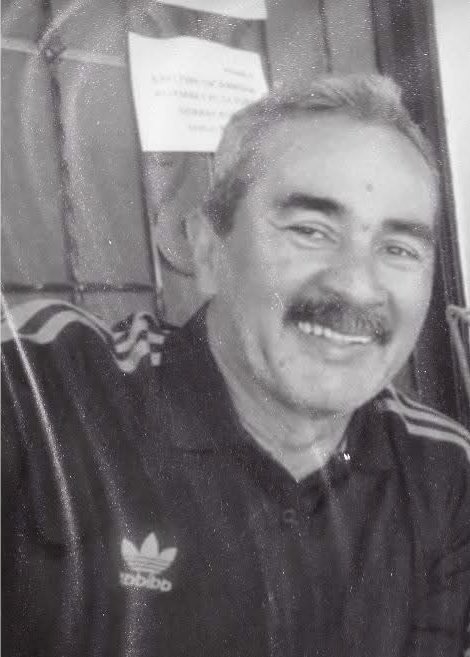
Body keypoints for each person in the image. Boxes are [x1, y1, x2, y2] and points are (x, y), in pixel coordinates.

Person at [2, 74, 470, 657]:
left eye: (399, 249)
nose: (357, 285)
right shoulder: (43, 392)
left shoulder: (445, 475)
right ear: (208, 251)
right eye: (311, 230)